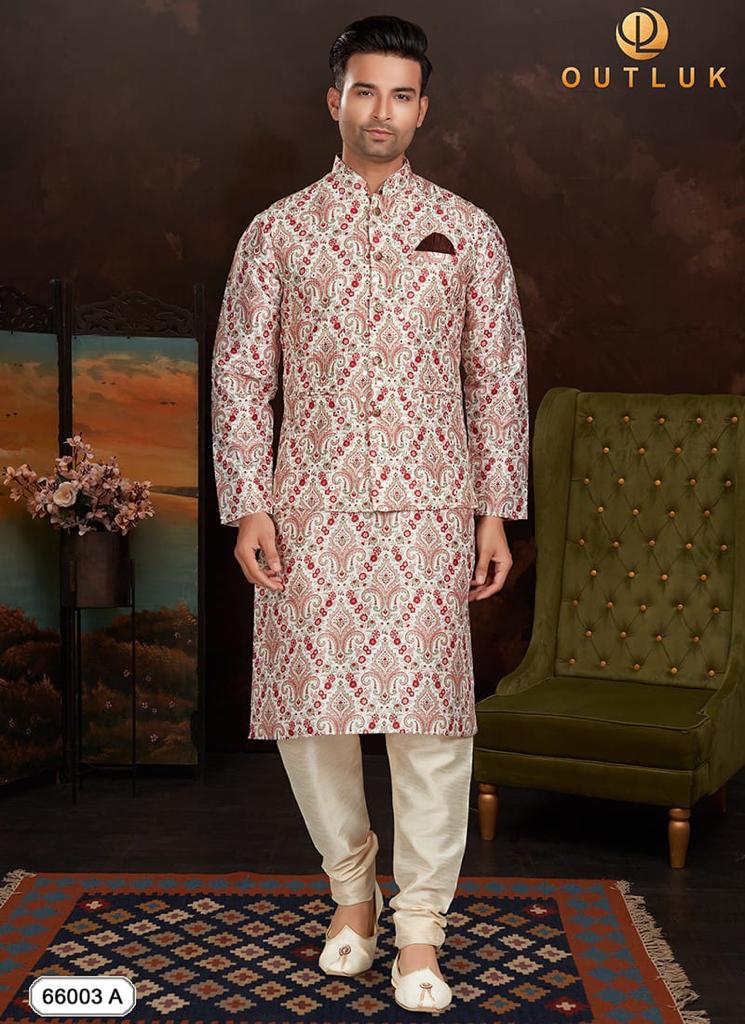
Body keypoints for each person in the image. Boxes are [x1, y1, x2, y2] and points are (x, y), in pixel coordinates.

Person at [211, 14, 529, 1014]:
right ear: (334, 100)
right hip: (308, 511)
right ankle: (352, 895)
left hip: (432, 507)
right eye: (364, 91)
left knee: (430, 728)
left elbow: (497, 379)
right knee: (313, 720)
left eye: (399, 94)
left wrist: (494, 511)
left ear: (422, 109)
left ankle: (420, 927)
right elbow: (241, 375)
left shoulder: (466, 230)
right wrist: (247, 505)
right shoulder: (277, 231)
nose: (380, 111)